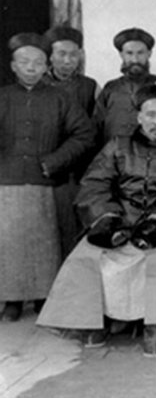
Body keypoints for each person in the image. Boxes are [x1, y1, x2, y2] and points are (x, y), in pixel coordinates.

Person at [37, 84, 156, 358]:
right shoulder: (117, 146)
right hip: (120, 219)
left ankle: (154, 325)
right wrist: (108, 217)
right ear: (139, 116)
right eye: (150, 115)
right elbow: (95, 184)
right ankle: (92, 321)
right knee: (87, 256)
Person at [0, 33, 95, 322]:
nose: (31, 67)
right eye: (24, 62)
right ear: (13, 66)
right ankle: (12, 300)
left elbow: (85, 134)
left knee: (45, 242)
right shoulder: (3, 96)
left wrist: (55, 160)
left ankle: (45, 297)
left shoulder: (60, 98)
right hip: (7, 182)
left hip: (47, 181)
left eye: (38, 62)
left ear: (46, 66)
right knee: (10, 243)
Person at [43, 26, 101, 256]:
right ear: (50, 56)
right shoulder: (38, 85)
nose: (68, 61)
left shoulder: (90, 87)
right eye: (61, 54)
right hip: (46, 169)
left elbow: (98, 129)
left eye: (73, 55)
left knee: (77, 231)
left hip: (80, 171)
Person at [93, 27, 156, 147]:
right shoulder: (111, 88)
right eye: (129, 53)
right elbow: (95, 129)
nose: (135, 59)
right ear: (121, 55)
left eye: (140, 53)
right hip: (114, 156)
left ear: (149, 53)